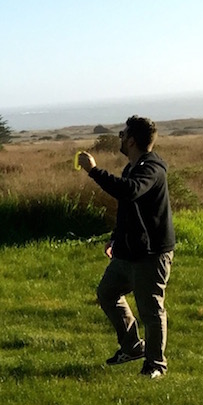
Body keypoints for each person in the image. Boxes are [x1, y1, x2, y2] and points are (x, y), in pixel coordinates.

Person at [77, 115, 175, 379]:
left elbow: (130, 191)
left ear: (131, 141)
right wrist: (115, 237)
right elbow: (128, 208)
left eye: (122, 134)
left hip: (152, 253)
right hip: (129, 250)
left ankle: (155, 365)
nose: (120, 138)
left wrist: (94, 171)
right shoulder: (132, 167)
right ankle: (132, 347)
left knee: (151, 310)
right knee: (107, 293)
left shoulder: (151, 168)